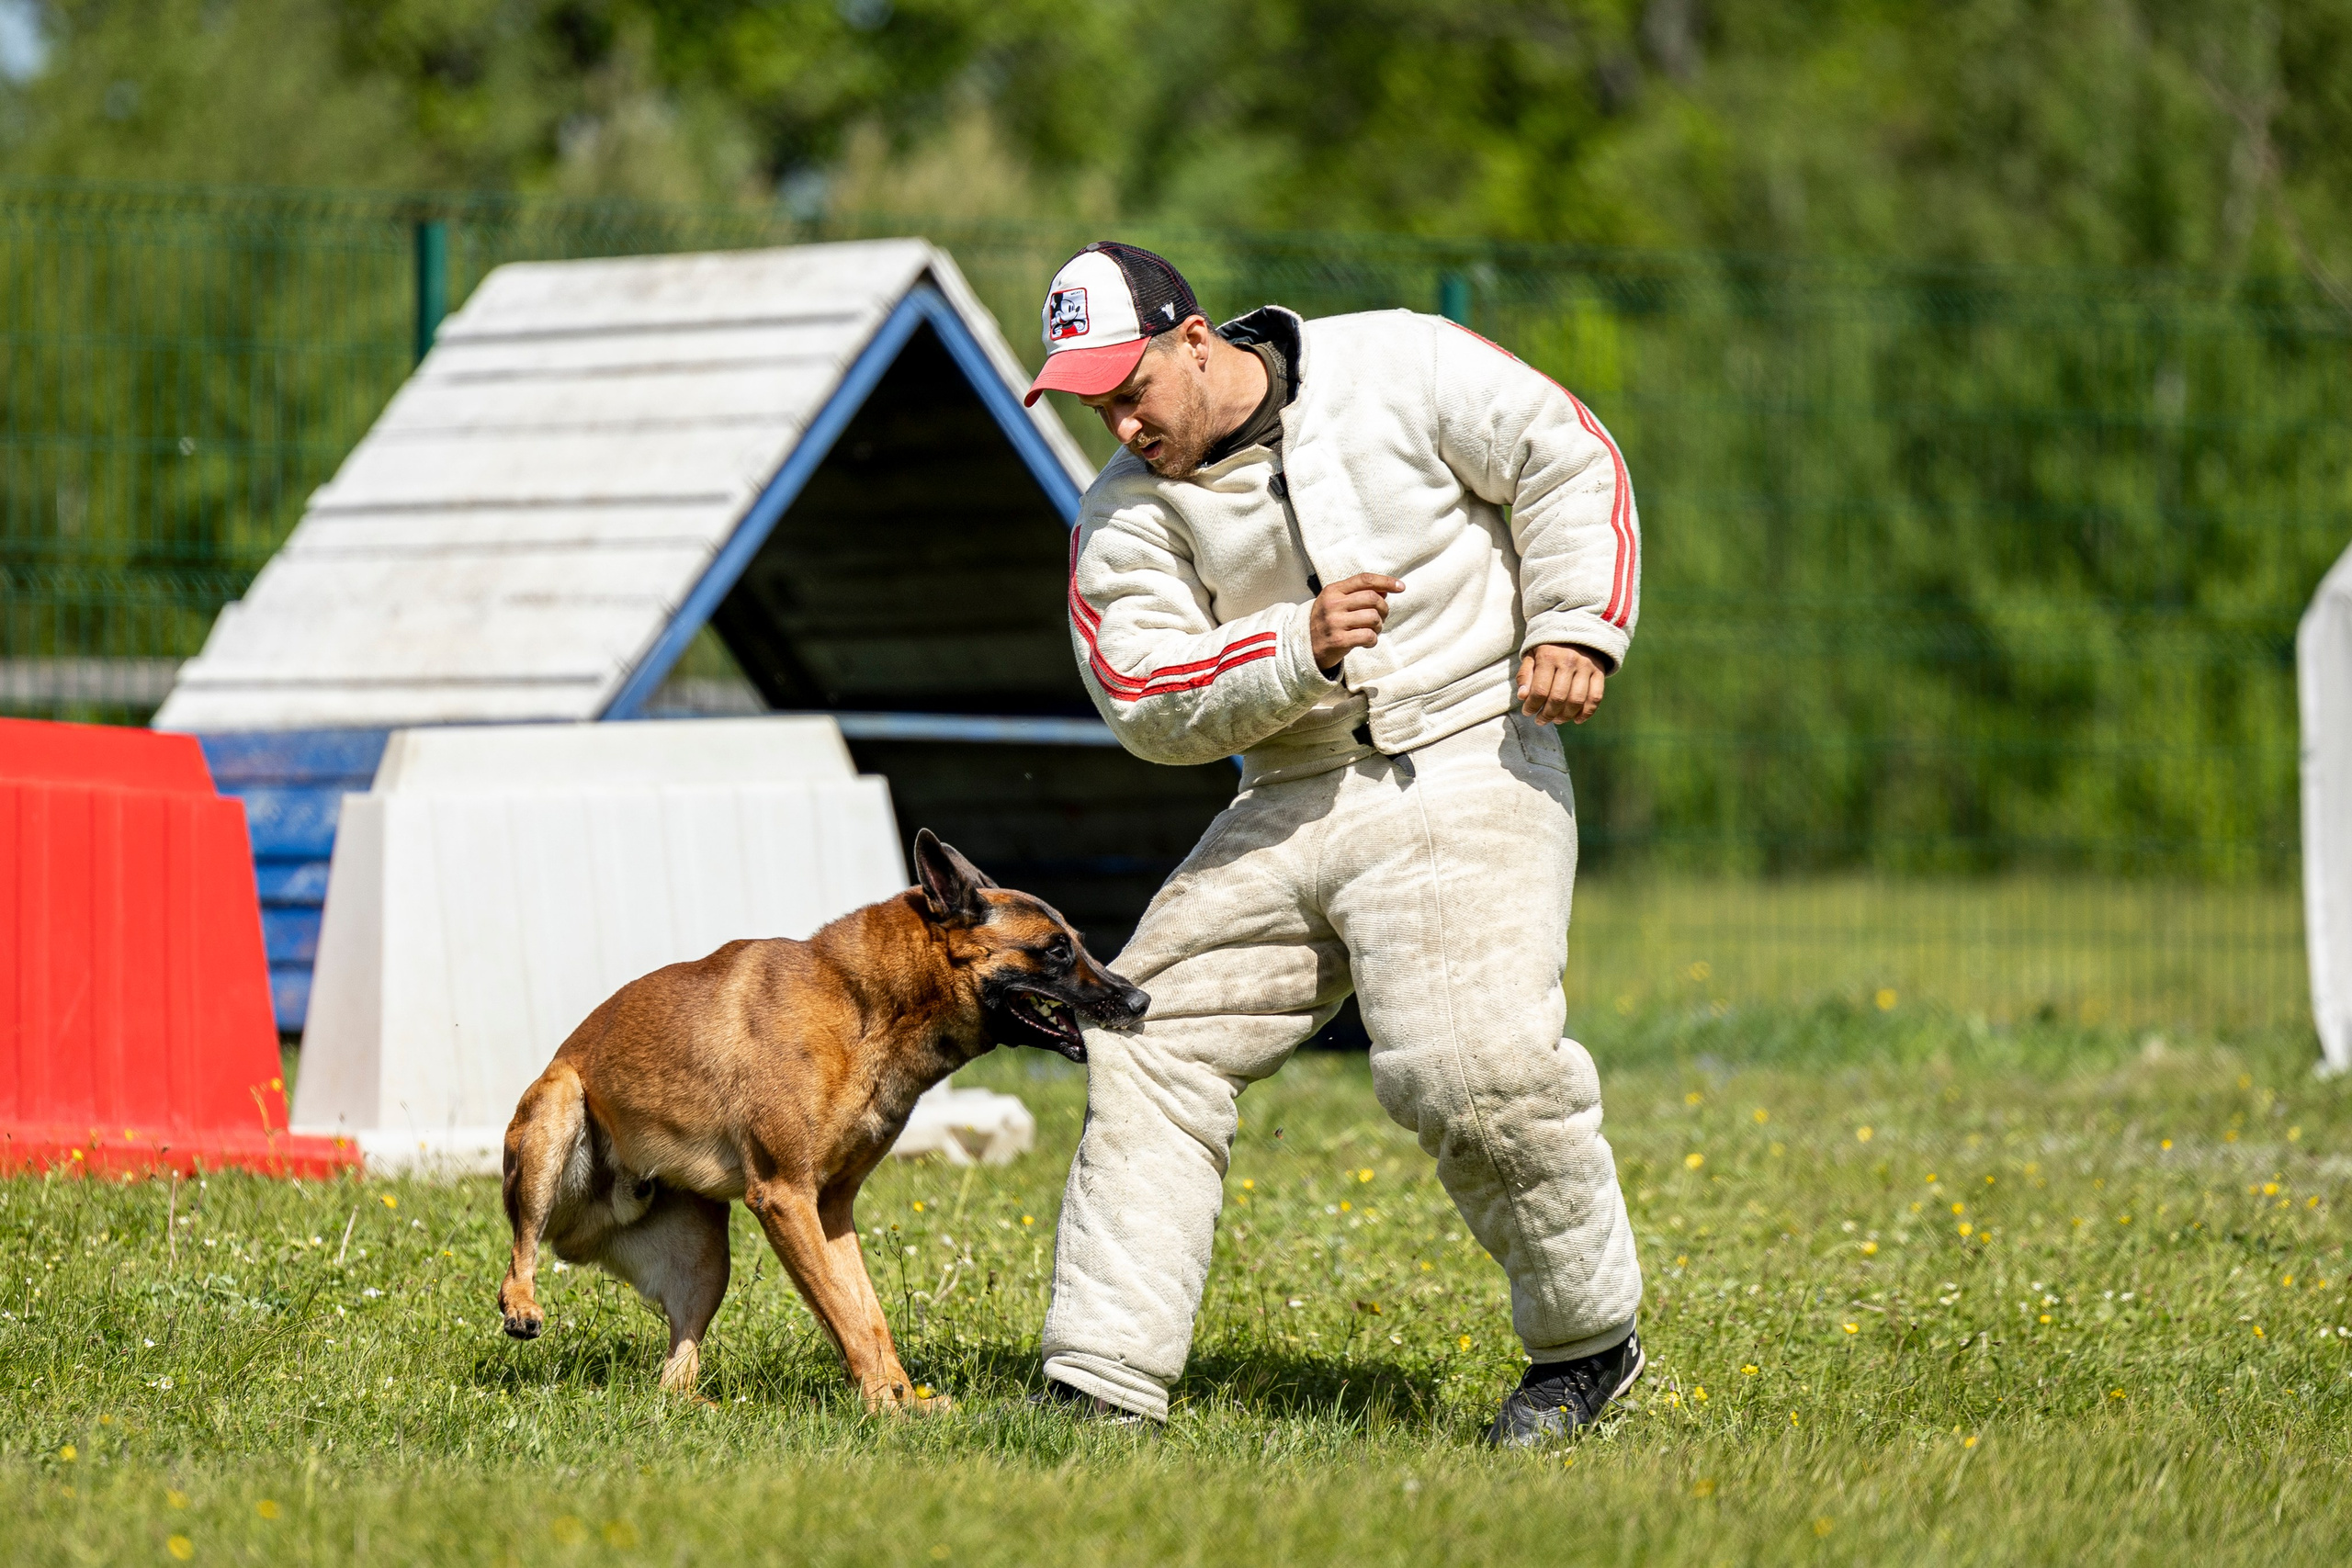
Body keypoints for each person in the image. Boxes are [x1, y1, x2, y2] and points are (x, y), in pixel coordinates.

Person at [1023, 242, 1645, 1446]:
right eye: (1090, 397)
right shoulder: (1119, 515)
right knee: (1144, 1033)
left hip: (1468, 753)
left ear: (1193, 338)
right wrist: (1292, 647)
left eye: (1129, 384)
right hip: (1291, 788)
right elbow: (1141, 695)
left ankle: (1584, 1350)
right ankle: (1100, 1382)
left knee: (1471, 1074)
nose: (1120, 419)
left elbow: (1567, 455)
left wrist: (1576, 626)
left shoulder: (1396, 361)